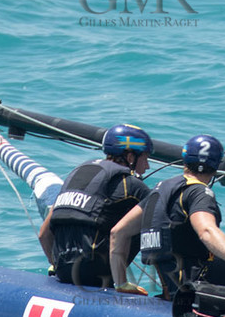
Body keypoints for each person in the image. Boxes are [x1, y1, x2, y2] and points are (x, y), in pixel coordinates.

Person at [109, 134, 225, 297]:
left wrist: (121, 283)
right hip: (199, 283)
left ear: (185, 160)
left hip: (171, 287)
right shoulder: (199, 192)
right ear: (216, 165)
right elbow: (206, 231)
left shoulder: (161, 189)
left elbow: (118, 232)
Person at [39, 123, 152, 287]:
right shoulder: (133, 186)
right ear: (130, 157)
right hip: (97, 274)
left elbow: (44, 234)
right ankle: (129, 283)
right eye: (145, 158)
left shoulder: (76, 174)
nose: (147, 166)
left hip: (62, 269)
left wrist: (56, 264)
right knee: (146, 217)